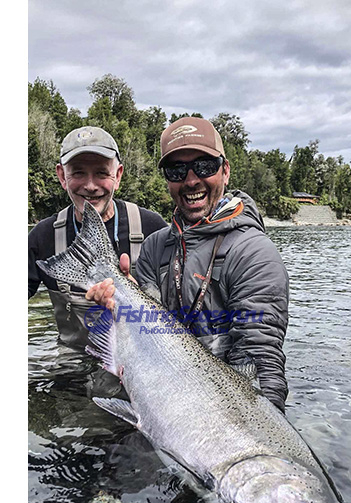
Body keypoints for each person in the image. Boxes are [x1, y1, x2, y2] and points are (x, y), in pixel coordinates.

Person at [87, 117, 290, 412]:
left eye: (204, 166)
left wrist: (269, 417)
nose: (191, 180)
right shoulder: (156, 246)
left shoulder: (254, 253)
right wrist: (124, 302)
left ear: (225, 171)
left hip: (217, 408)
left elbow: (260, 357)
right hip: (165, 392)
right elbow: (149, 334)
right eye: (177, 170)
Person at [28, 126, 168, 350]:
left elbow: (180, 309)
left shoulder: (152, 228)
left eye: (102, 173)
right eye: (78, 173)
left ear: (118, 176)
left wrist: (136, 297)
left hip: (145, 358)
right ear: (62, 176)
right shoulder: (43, 237)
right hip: (73, 361)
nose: (90, 186)